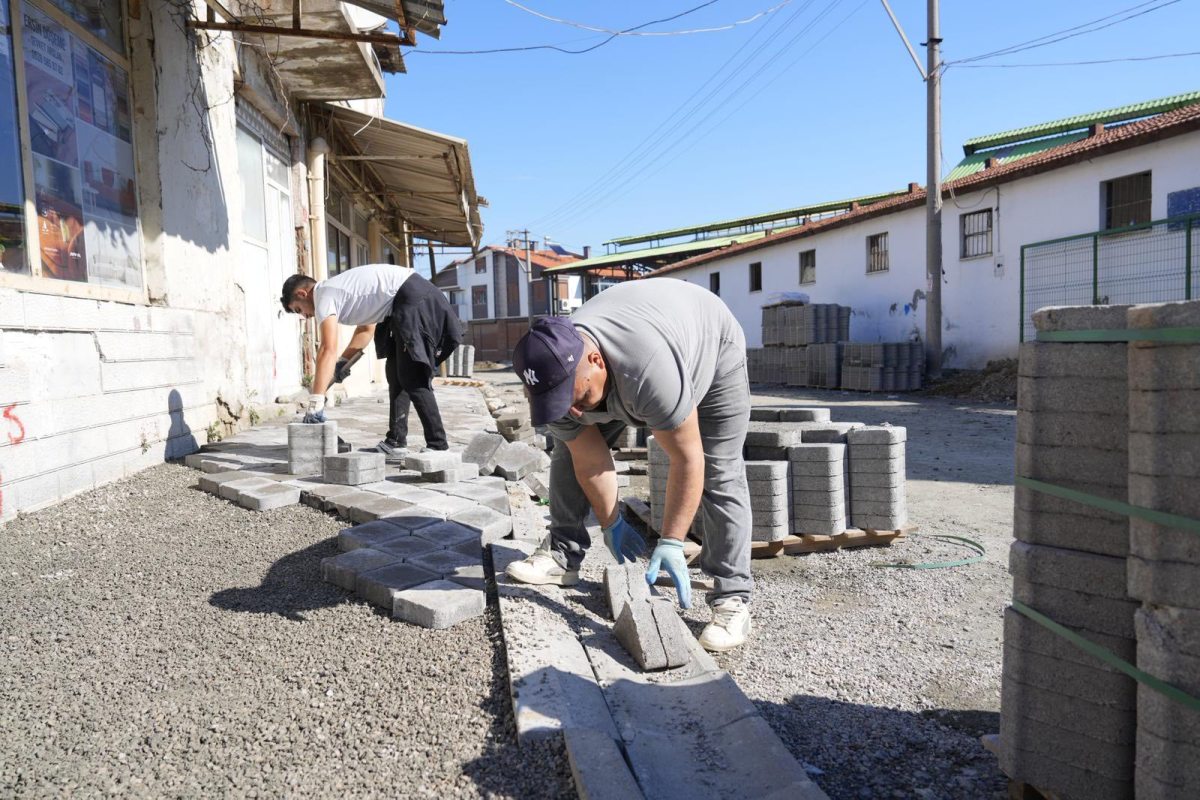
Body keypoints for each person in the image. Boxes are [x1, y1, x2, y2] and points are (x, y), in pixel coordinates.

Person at [505, 278, 753, 652]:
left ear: (595, 361)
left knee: (720, 468)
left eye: (578, 397)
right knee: (567, 447)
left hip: (711, 344)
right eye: (555, 403)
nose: (572, 410)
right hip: (636, 348)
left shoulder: (648, 370)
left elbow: (687, 458)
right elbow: (589, 458)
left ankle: (732, 597)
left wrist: (671, 540)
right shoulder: (554, 376)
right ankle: (562, 554)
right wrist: (611, 522)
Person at [280, 264, 462, 452]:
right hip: (402, 303)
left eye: (298, 310)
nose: (305, 316)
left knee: (412, 376)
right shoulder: (341, 293)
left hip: (413, 298)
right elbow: (365, 331)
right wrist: (342, 365)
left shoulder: (323, 296)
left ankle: (438, 446)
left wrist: (316, 401)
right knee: (395, 375)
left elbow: (327, 348)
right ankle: (396, 442)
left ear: (302, 294)